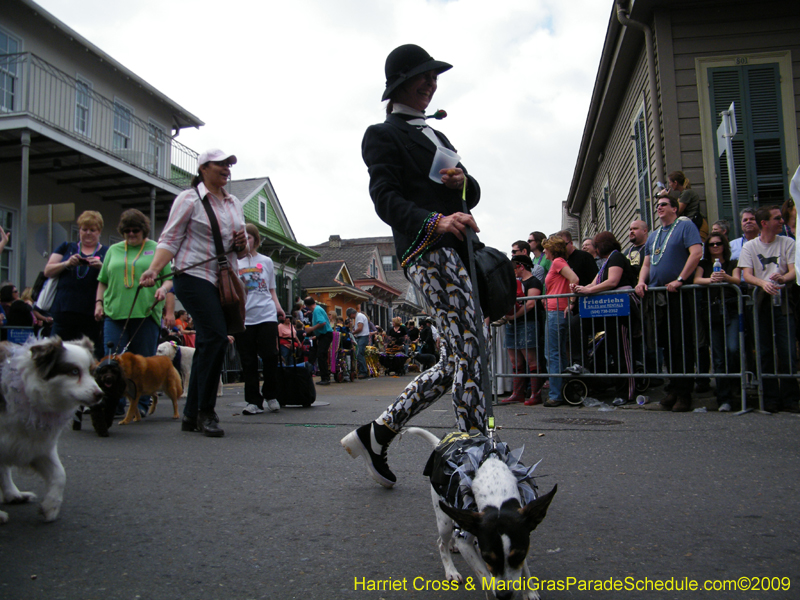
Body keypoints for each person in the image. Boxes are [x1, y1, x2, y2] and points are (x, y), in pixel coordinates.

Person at [341, 43, 486, 489]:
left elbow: (473, 194)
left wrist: (464, 182)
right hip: (427, 251)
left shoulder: (438, 136)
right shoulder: (382, 134)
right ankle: (477, 460)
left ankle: (377, 433)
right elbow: (385, 199)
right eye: (423, 76)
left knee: (456, 358)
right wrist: (435, 221)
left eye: (433, 76)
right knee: (469, 351)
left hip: (459, 252)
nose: (431, 83)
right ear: (400, 84)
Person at [140, 149, 247, 437]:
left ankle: (191, 414)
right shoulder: (189, 199)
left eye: (229, 164)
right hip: (192, 275)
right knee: (215, 336)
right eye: (220, 164)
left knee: (209, 343)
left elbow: (242, 250)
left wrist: (242, 243)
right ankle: (205, 411)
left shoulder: (234, 203)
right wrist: (154, 269)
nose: (226, 168)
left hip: (223, 280)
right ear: (203, 168)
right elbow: (170, 238)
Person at [96, 209, 174, 417]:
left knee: (143, 364)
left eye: (136, 230)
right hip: (114, 313)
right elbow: (102, 281)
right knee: (113, 362)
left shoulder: (156, 249)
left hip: (145, 314)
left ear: (143, 230)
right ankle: (115, 403)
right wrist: (98, 303)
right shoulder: (113, 250)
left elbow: (169, 279)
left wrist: (162, 289)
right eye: (127, 230)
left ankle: (140, 405)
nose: (131, 234)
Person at [635, 196, 703, 412]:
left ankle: (684, 393)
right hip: (659, 296)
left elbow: (696, 253)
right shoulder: (654, 235)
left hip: (678, 293)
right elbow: (647, 263)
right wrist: (641, 281)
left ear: (674, 208)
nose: (659, 207)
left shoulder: (685, 226)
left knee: (681, 343)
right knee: (666, 344)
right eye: (657, 205)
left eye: (664, 204)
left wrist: (681, 279)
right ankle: (673, 388)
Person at [739, 206, 799, 413]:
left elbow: (793, 270)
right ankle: (770, 397)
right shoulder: (750, 246)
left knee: (787, 349)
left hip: (784, 301)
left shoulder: (788, 242)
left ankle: (791, 397)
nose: (781, 221)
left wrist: (783, 278)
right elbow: (747, 275)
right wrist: (763, 283)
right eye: (777, 218)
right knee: (764, 350)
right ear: (764, 223)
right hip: (760, 302)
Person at [572, 231, 637, 404]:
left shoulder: (616, 257)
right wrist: (579, 288)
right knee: (577, 323)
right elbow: (593, 283)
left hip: (621, 308)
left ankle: (626, 392)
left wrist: (588, 290)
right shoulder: (605, 263)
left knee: (620, 349)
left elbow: (613, 281)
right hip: (608, 309)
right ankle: (581, 363)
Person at [235, 223, 285, 416]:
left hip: (266, 313)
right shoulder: (234, 262)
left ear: (255, 240)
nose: (246, 241)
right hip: (244, 317)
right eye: (242, 238)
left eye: (249, 237)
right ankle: (253, 401)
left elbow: (271, 288)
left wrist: (278, 307)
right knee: (248, 361)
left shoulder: (266, 261)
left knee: (270, 355)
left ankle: (271, 395)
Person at [44, 210, 107, 356]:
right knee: (57, 352)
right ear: (79, 230)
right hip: (64, 311)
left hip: (91, 314)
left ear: (99, 231)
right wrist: (66, 263)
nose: (88, 233)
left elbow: (113, 276)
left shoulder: (107, 251)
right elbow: (48, 271)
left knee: (89, 353)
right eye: (84, 229)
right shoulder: (67, 247)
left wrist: (101, 267)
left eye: (92, 230)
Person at [694, 233, 741, 412]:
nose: (715, 246)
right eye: (711, 244)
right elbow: (697, 279)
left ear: (724, 245)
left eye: (718, 243)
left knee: (733, 349)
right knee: (718, 356)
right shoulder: (704, 264)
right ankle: (724, 398)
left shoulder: (732, 262)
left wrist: (725, 277)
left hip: (731, 309)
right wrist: (711, 280)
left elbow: (737, 279)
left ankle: (736, 387)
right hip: (712, 310)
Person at [500, 254, 544, 406]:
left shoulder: (534, 282)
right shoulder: (516, 282)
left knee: (530, 359)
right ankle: (517, 393)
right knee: (515, 360)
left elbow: (530, 304)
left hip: (527, 322)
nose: (513, 271)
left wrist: (513, 316)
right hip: (514, 323)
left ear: (521, 266)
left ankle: (535, 394)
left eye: (514, 267)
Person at [541, 236, 579, 407]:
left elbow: (574, 279)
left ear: (552, 249)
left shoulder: (557, 262)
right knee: (559, 352)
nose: (544, 251)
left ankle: (555, 394)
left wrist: (571, 302)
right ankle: (561, 391)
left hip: (556, 311)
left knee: (552, 353)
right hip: (556, 310)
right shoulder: (558, 262)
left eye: (546, 248)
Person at [658, 170, 708, 241]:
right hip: (693, 225)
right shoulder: (683, 194)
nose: (669, 185)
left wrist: (665, 197)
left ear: (675, 183)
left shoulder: (686, 193)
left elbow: (677, 211)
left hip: (698, 226)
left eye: (670, 182)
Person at [304, 297, 333, 385]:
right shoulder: (318, 309)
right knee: (321, 355)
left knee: (321, 355)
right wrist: (317, 336)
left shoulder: (316, 310)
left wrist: (312, 329)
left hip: (325, 334)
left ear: (307, 305)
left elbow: (322, 322)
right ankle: (325, 376)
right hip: (323, 335)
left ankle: (325, 378)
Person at [347, 307, 370, 379]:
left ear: (351, 314)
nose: (351, 318)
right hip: (361, 337)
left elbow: (360, 328)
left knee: (359, 353)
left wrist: (352, 333)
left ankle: (363, 372)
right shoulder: (359, 316)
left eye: (350, 316)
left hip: (362, 336)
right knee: (358, 353)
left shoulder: (359, 316)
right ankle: (361, 371)